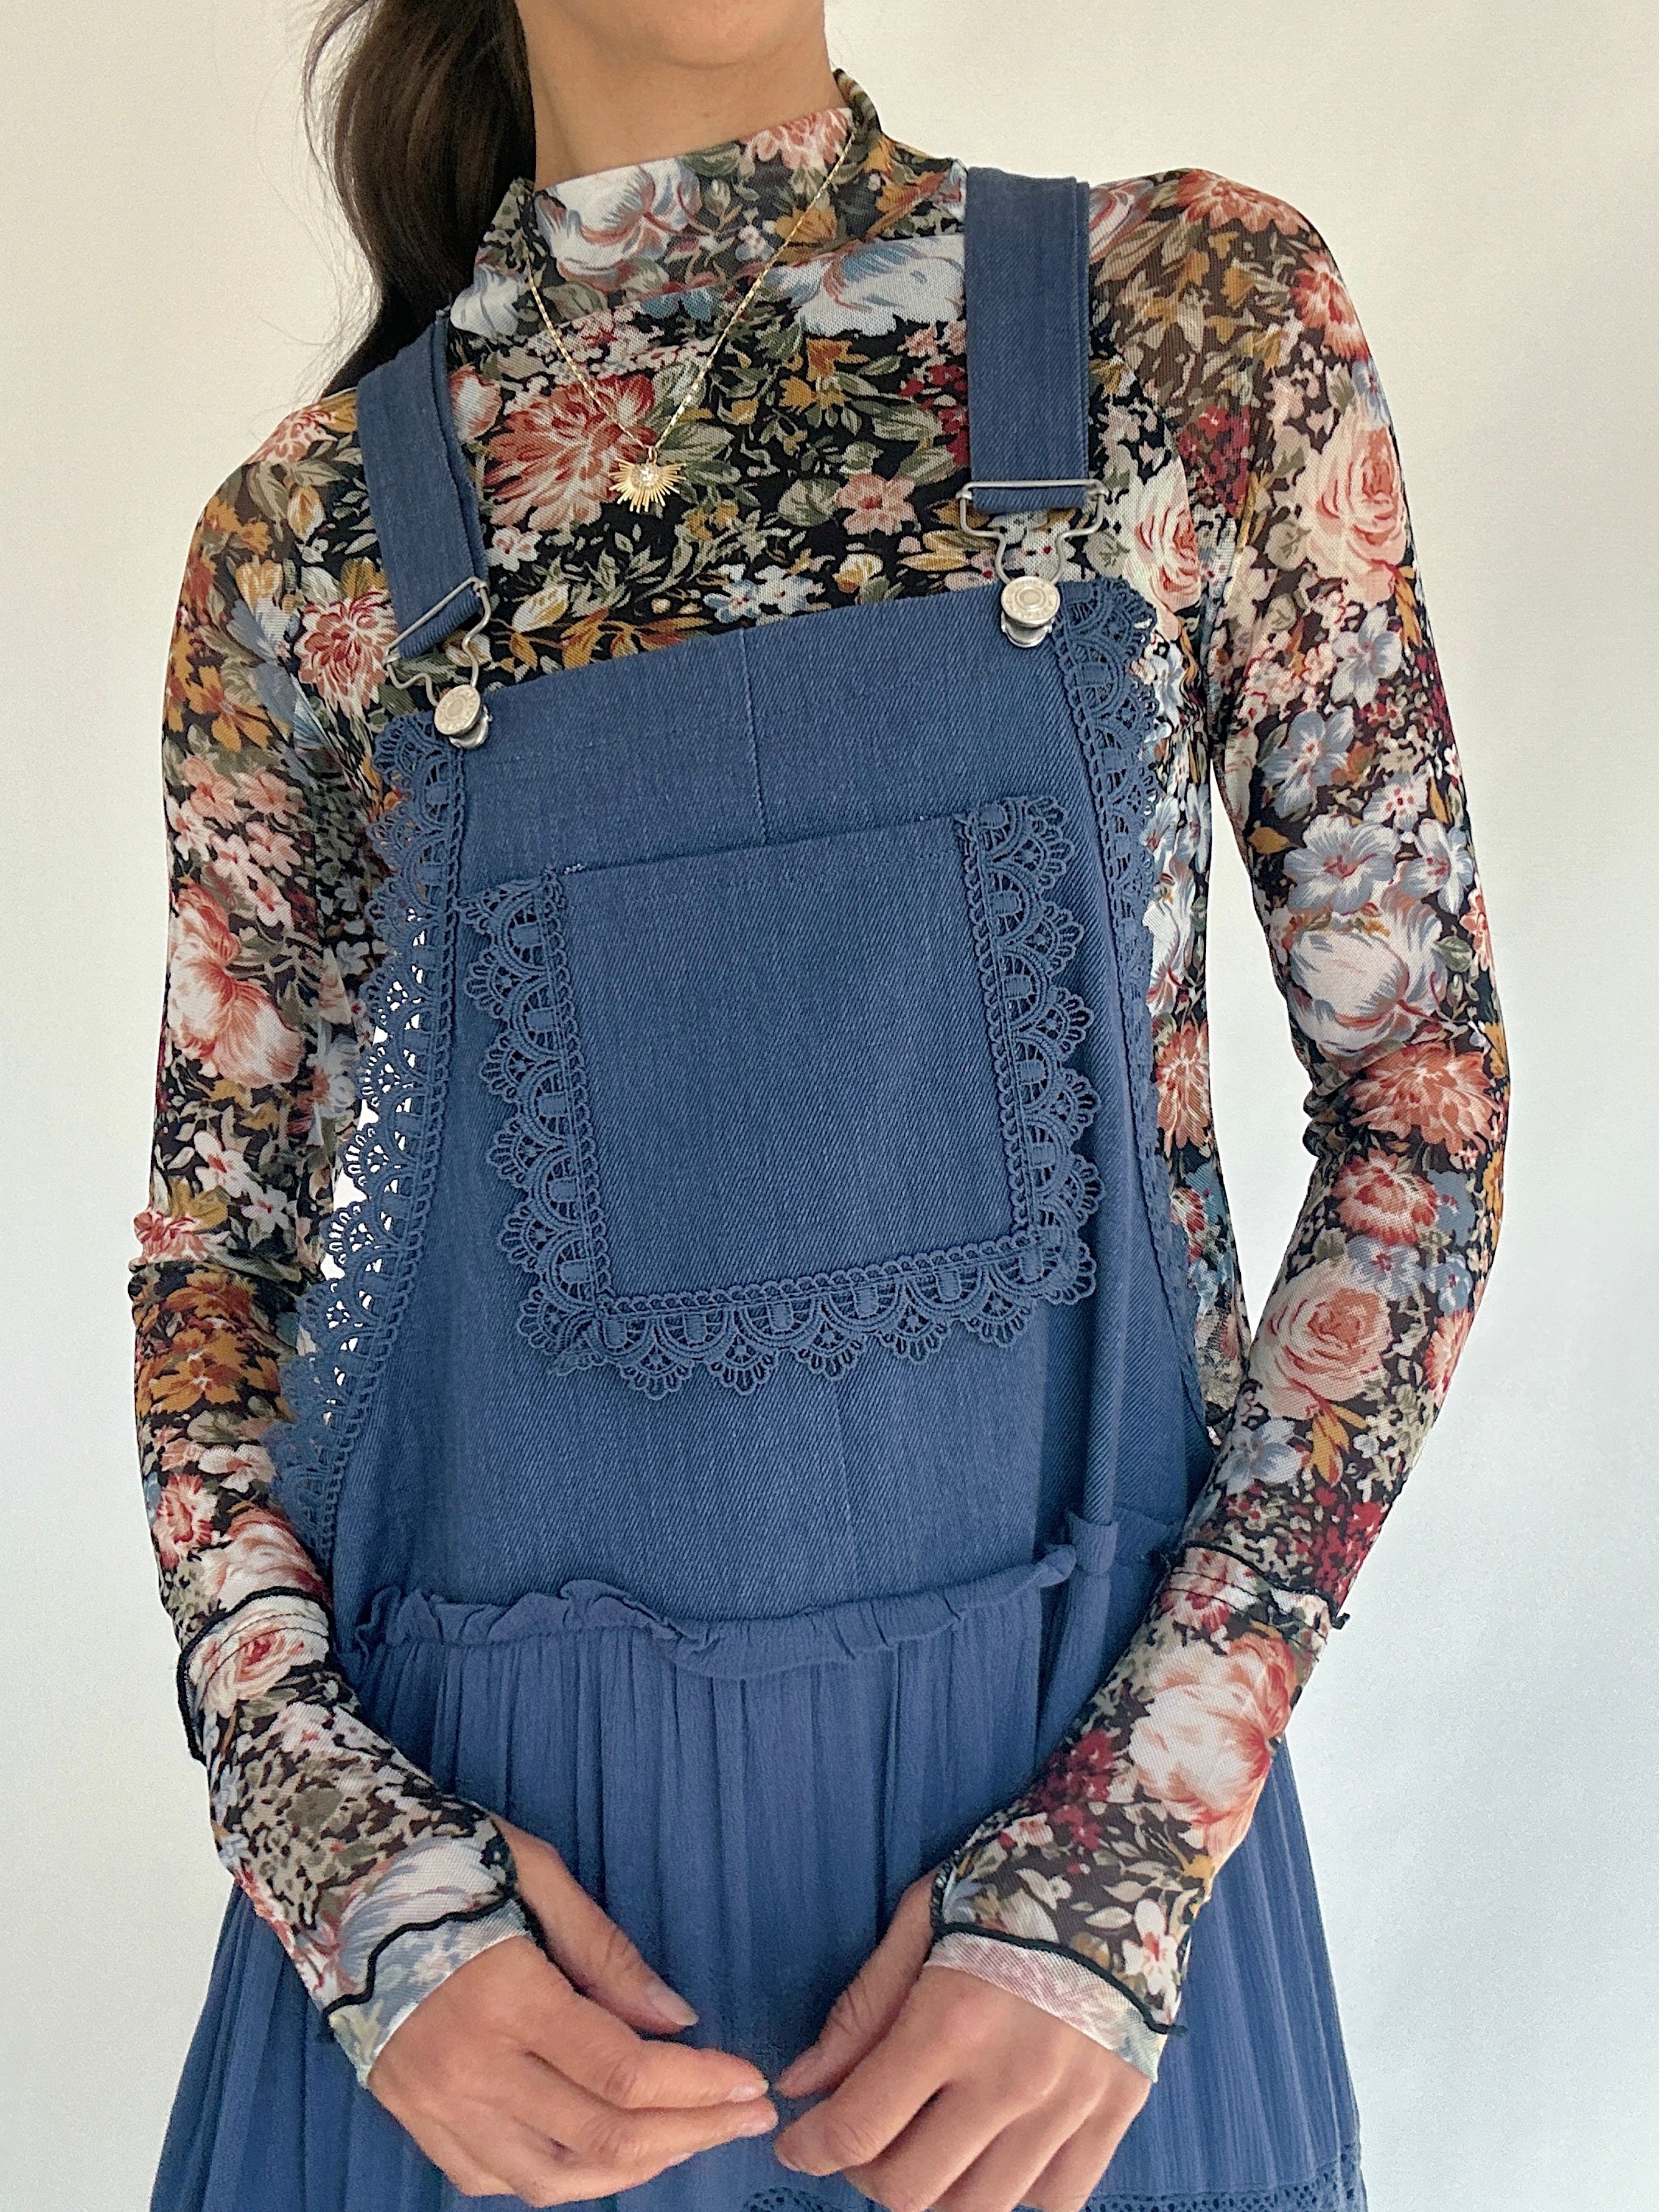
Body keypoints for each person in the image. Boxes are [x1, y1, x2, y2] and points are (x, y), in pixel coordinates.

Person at [131, 3, 1508, 2208]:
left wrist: (1127, 1853)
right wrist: (358, 1884)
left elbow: (1418, 1110)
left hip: (1069, 2012)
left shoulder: (1192, 325)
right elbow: (222, 1272)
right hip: (503, 2033)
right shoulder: (304, 554)